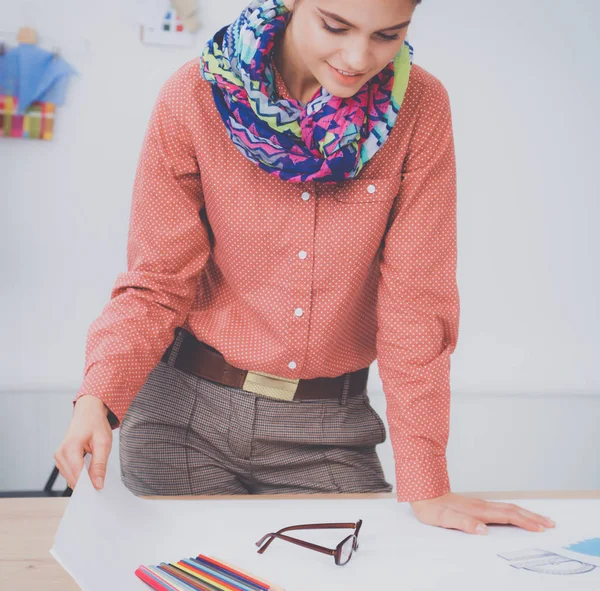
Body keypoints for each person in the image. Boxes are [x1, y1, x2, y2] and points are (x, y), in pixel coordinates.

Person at [54, 0, 556, 536]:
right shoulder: (196, 94)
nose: (359, 56)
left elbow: (417, 302)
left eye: (387, 34)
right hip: (184, 415)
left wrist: (427, 482)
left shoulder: (420, 107)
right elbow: (158, 280)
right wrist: (98, 397)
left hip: (329, 427)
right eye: (335, 26)